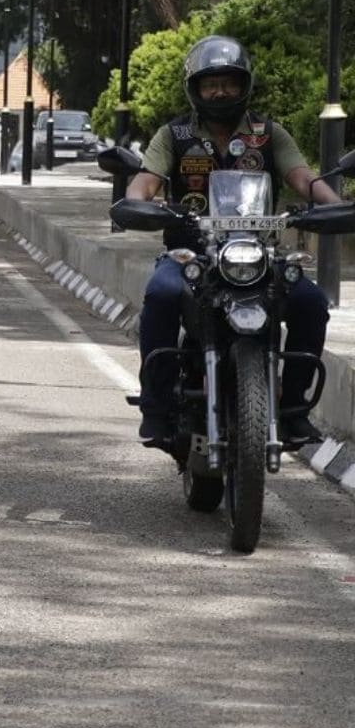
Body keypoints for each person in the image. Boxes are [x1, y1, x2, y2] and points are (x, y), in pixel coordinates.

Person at [126, 35, 338, 447]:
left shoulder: (268, 134)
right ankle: (157, 407)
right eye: (211, 84)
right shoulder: (174, 134)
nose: (220, 91)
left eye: (229, 82)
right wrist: (137, 204)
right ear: (196, 89)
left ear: (244, 86)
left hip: (258, 252)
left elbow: (302, 177)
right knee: (162, 295)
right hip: (191, 253)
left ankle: (294, 408)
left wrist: (334, 206)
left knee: (311, 303)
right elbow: (145, 182)